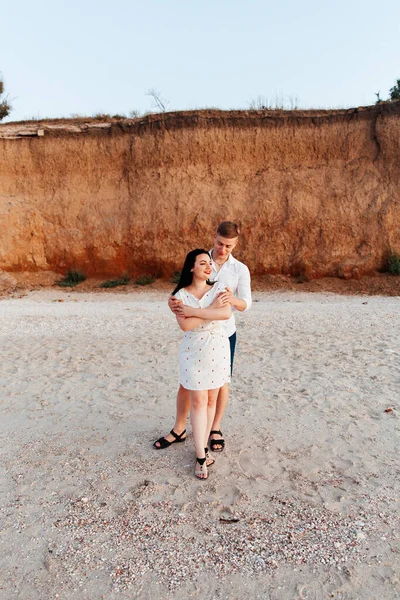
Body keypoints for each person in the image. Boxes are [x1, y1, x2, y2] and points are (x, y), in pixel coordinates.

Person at [153, 221, 252, 453]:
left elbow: (245, 303)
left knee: (221, 383)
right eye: (219, 243)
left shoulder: (239, 270)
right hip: (196, 337)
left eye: (229, 246)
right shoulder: (199, 259)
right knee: (187, 384)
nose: (223, 250)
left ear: (236, 244)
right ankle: (179, 428)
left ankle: (214, 428)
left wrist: (229, 298)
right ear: (214, 236)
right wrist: (173, 302)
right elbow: (184, 289)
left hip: (224, 332)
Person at [168, 249, 232, 479]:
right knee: (198, 400)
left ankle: (203, 444)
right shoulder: (178, 295)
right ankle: (200, 456)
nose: (208, 267)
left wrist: (195, 311)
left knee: (212, 399)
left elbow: (225, 313)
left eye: (210, 264)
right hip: (193, 350)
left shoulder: (219, 289)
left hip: (217, 346)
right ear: (191, 267)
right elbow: (185, 326)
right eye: (202, 263)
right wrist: (210, 310)